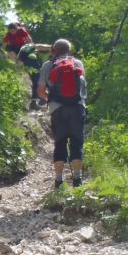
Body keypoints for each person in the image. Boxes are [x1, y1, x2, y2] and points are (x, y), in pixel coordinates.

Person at [37, 39, 87, 187]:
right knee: (77, 143)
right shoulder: (77, 63)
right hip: (77, 107)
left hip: (57, 109)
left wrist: (51, 98)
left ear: (53, 50)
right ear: (69, 50)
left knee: (60, 143)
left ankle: (59, 180)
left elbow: (40, 91)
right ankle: (77, 179)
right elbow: (82, 87)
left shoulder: (48, 65)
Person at [17, 43, 52, 110]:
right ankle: (35, 103)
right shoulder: (49, 49)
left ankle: (39, 100)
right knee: (38, 81)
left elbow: (19, 62)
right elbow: (39, 46)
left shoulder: (26, 48)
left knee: (37, 81)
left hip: (29, 61)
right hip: (32, 63)